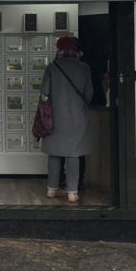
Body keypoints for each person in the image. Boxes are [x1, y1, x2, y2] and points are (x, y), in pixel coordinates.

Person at [40, 35, 93, 203]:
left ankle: (52, 189)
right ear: (74, 49)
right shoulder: (84, 68)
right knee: (73, 154)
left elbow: (44, 92)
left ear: (59, 49)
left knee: (54, 154)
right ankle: (72, 192)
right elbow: (89, 94)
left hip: (55, 117)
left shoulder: (52, 67)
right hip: (77, 117)